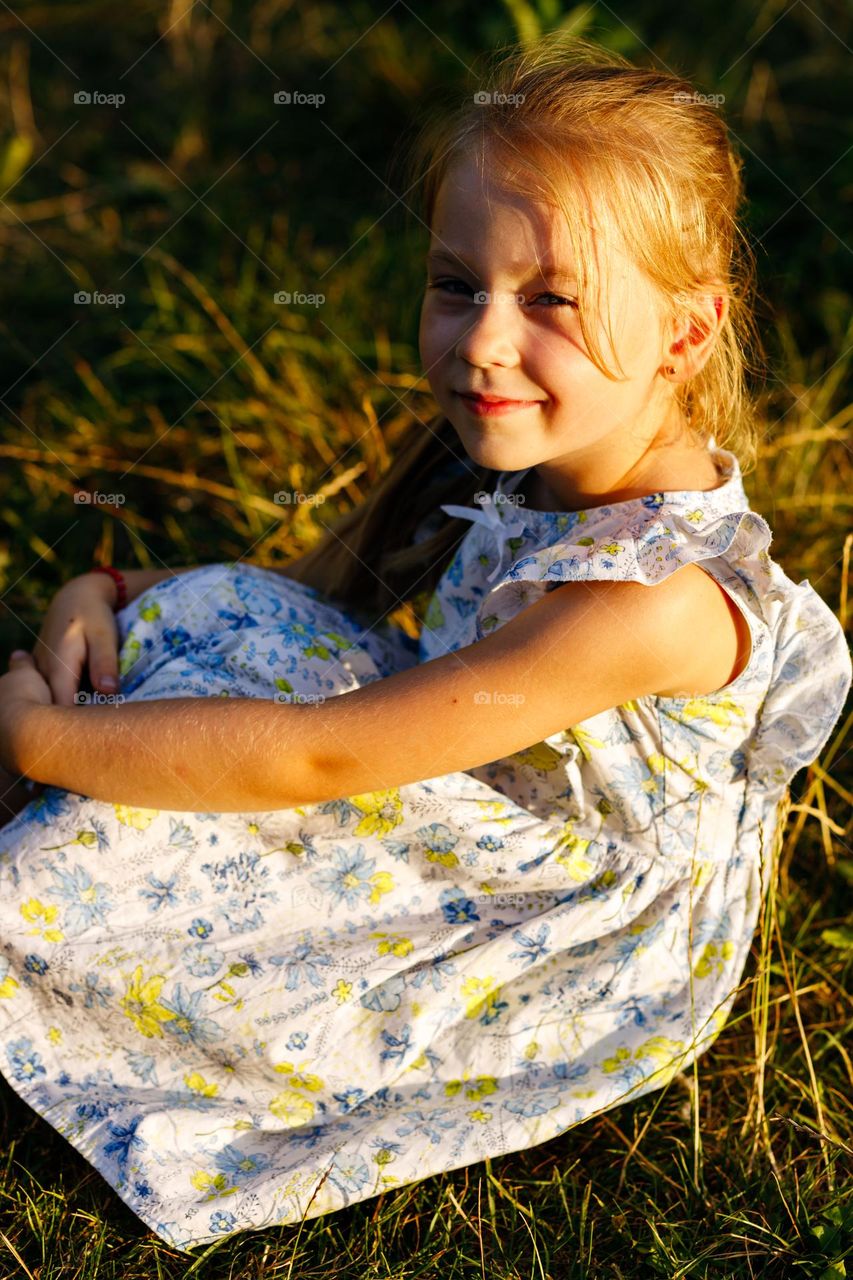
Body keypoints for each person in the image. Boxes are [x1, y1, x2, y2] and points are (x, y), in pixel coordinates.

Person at [0, 32, 848, 1253]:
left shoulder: (645, 601)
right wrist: (106, 587)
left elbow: (314, 760)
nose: (483, 342)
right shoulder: (506, 448)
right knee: (206, 622)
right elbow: (290, 588)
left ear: (686, 331)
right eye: (456, 285)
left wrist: (44, 734)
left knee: (82, 850)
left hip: (563, 914)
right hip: (434, 752)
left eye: (551, 298)